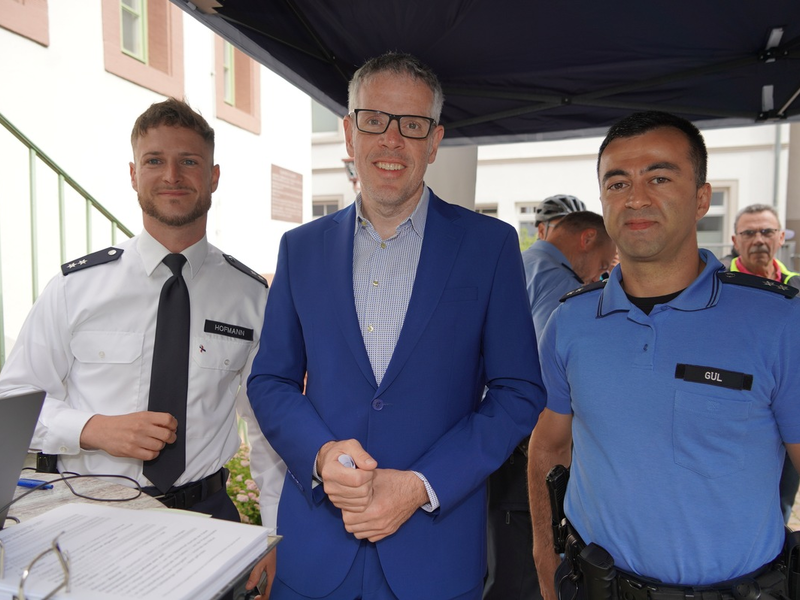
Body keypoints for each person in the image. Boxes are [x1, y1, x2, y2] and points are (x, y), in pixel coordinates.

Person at [246, 52, 544, 600]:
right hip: (315, 552)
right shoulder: (300, 248)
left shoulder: (490, 247)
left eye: (412, 126)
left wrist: (421, 485)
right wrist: (319, 456)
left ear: (434, 142)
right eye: (374, 120)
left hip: (434, 551)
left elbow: (518, 391)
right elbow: (270, 381)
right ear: (348, 131)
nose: (391, 140)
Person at [0, 98, 285, 584]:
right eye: (155, 160)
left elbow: (266, 436)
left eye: (188, 161)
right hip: (89, 519)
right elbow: (13, 403)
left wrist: (271, 538)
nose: (172, 174)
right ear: (133, 175)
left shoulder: (250, 297)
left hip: (208, 519)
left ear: (213, 176)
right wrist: (92, 428)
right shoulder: (75, 289)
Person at [528, 111, 800, 600]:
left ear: (702, 198)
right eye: (617, 183)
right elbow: (548, 446)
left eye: (659, 177)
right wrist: (545, 558)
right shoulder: (570, 322)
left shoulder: (779, 322)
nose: (635, 198)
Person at [484, 210, 614, 600]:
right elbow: (550, 373)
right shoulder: (561, 283)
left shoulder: (518, 263)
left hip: (491, 439)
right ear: (587, 238)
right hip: (527, 449)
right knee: (524, 577)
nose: (599, 274)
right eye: (604, 263)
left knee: (500, 565)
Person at [729, 203, 800, 522]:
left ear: (781, 237)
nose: (758, 239)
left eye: (767, 231)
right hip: (737, 412)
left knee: (783, 497)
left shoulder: (797, 286)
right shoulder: (716, 284)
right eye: (749, 232)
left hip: (791, 410)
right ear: (735, 240)